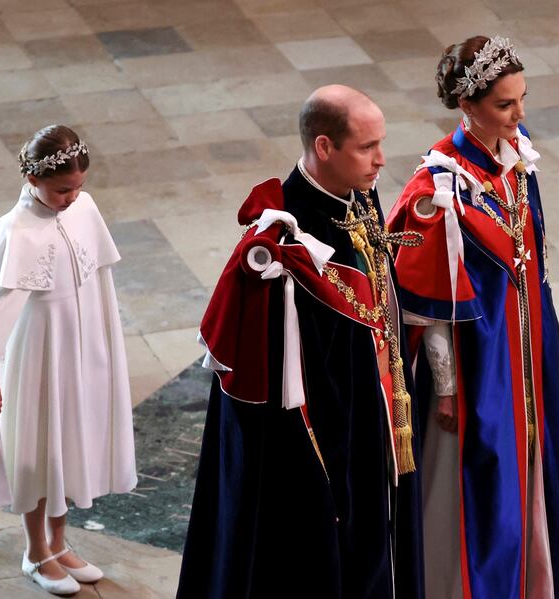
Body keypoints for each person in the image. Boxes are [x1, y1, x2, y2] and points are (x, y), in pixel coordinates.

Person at [177, 85, 425, 599]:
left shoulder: (358, 193)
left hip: (370, 415)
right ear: (324, 146)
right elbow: (275, 385)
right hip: (319, 447)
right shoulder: (283, 244)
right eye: (367, 147)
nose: (381, 160)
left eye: (381, 144)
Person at [386, 36, 559, 599]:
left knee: (539, 449)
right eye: (505, 105)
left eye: (522, 99)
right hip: (480, 360)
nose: (520, 115)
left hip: (528, 342)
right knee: (488, 468)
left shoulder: (517, 158)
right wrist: (446, 389)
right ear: (466, 106)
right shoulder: (439, 191)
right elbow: (426, 307)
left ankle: (536, 569)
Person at [0, 125, 137, 595]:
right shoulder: (13, 229)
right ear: (34, 179)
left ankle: (60, 543)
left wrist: (103, 344)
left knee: (71, 443)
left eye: (79, 186)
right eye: (63, 190)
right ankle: (35, 550)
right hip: (38, 354)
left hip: (80, 348)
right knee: (39, 450)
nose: (73, 197)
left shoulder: (84, 206)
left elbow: (98, 279)